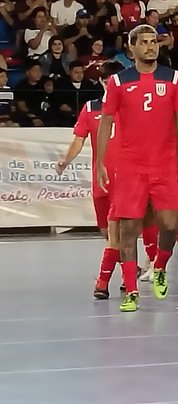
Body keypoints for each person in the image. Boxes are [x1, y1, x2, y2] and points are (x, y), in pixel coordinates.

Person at [94, 25, 178, 312]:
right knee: (128, 228)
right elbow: (106, 120)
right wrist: (100, 161)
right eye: (144, 42)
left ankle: (159, 266)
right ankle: (131, 291)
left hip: (164, 162)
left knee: (171, 225)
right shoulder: (118, 82)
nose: (150, 46)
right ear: (131, 48)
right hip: (130, 165)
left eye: (154, 42)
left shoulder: (173, 78)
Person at [54, 60, 124, 299]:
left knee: (118, 232)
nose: (108, 83)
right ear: (102, 82)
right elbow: (79, 139)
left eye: (112, 78)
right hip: (100, 180)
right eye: (104, 79)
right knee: (107, 232)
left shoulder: (129, 107)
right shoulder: (91, 107)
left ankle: (104, 282)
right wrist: (65, 160)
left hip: (124, 179)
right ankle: (127, 269)